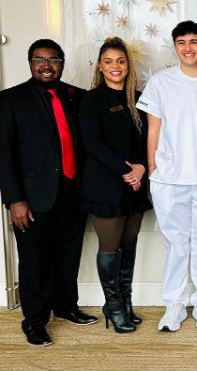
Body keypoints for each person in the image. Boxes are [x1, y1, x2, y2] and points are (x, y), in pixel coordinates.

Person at [0, 39, 97, 346]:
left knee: (68, 255)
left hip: (73, 192)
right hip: (32, 196)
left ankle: (66, 307)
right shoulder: (10, 99)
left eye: (53, 60)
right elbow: (3, 154)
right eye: (38, 60)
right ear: (30, 63)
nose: (46, 65)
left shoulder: (77, 96)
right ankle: (35, 321)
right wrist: (14, 199)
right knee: (35, 261)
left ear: (61, 63)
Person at [138, 21, 197, 331]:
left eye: (193, 42)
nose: (188, 48)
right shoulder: (161, 82)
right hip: (169, 178)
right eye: (181, 42)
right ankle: (174, 305)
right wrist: (153, 169)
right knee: (175, 245)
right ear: (175, 47)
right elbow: (153, 129)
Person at [79, 37, 152, 333]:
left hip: (135, 184)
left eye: (120, 61)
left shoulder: (139, 98)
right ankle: (113, 306)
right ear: (100, 66)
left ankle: (125, 301)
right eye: (108, 61)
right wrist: (127, 171)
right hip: (105, 186)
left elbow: (150, 139)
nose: (115, 66)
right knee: (110, 247)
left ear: (128, 65)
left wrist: (141, 168)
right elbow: (92, 143)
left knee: (129, 245)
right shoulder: (92, 100)